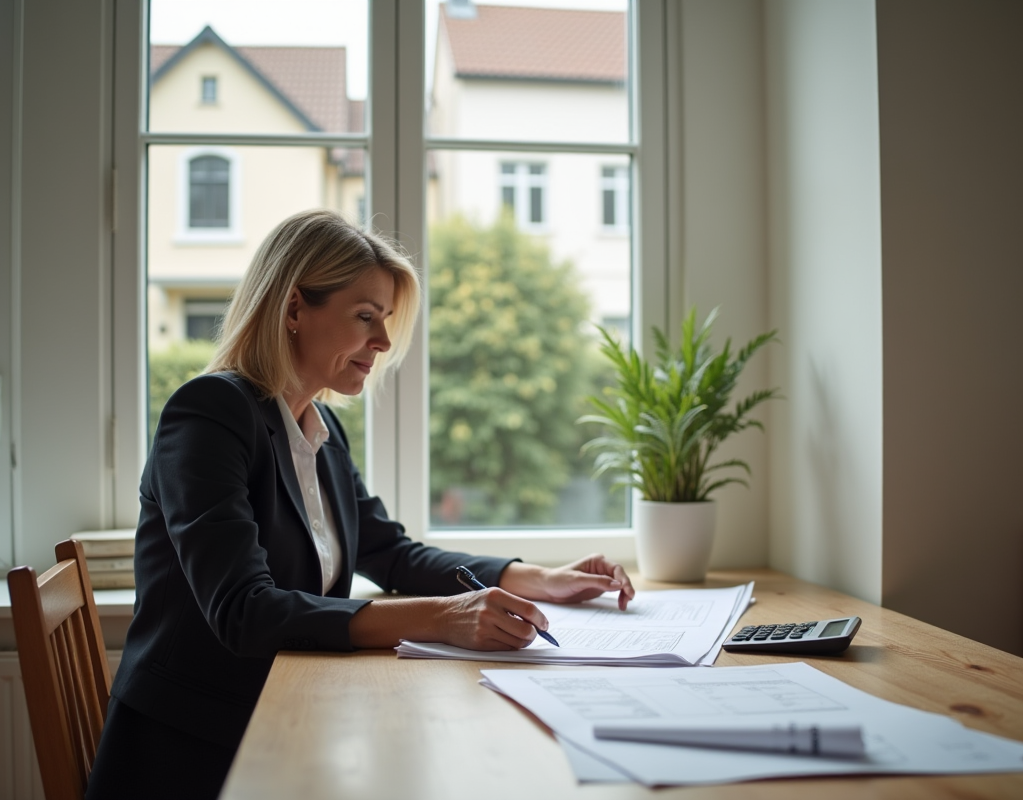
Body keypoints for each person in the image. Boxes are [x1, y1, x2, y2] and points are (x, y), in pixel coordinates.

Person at [85, 209, 635, 799]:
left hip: (280, 720)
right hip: (191, 752)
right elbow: (245, 611)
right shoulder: (209, 414)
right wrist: (443, 618)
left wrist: (539, 580)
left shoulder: (320, 432)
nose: (383, 341)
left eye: (387, 321)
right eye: (365, 317)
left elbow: (390, 553)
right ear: (294, 309)